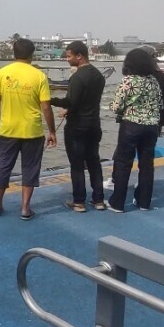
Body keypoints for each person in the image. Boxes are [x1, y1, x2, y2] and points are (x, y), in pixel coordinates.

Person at [0, 38, 57, 221]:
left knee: (3, 168)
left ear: (14, 53)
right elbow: (46, 107)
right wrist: (52, 131)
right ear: (32, 54)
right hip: (32, 132)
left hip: (7, 130)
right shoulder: (39, 76)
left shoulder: (2, 73)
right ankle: (25, 208)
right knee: (30, 169)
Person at [49, 41, 106, 212]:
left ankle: (79, 201)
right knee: (94, 162)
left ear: (79, 56)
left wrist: (49, 100)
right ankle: (99, 200)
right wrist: (70, 109)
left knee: (77, 164)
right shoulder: (98, 75)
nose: (67, 59)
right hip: (94, 125)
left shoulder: (77, 77)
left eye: (69, 56)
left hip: (77, 127)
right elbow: (86, 101)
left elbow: (70, 101)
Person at [108, 48, 163, 213]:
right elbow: (160, 105)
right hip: (152, 127)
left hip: (131, 125)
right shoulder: (154, 81)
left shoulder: (129, 81)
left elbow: (116, 106)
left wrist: (117, 109)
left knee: (124, 164)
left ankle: (117, 203)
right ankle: (143, 202)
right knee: (147, 165)